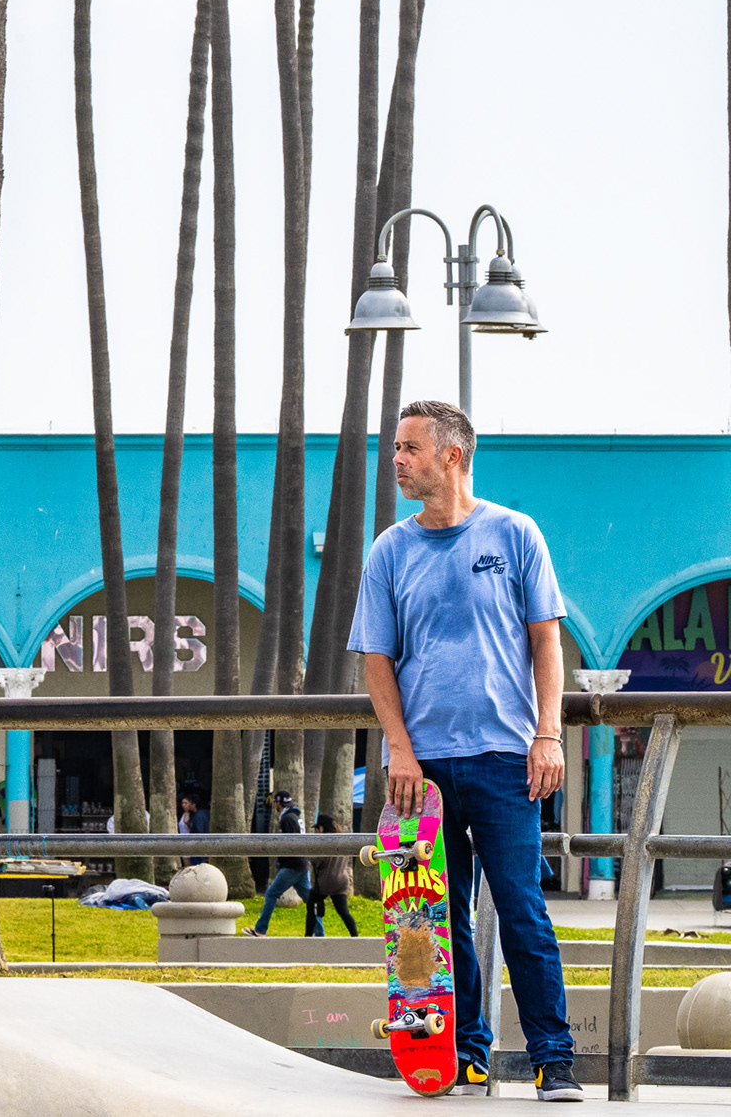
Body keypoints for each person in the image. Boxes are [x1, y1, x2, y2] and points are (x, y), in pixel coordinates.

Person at [349, 399, 577, 1101]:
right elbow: (377, 659)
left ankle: (553, 1057)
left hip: (508, 759)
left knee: (521, 908)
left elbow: (547, 641)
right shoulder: (390, 549)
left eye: (410, 448)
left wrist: (548, 731)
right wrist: (399, 750)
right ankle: (463, 1049)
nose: (397, 459)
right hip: (424, 773)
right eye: (395, 447)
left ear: (452, 455)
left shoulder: (514, 533)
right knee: (433, 916)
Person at [242, 790, 308, 937]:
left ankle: (260, 930)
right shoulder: (295, 816)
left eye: (275, 802)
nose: (274, 805)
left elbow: (289, 843)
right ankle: (320, 934)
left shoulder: (287, 819)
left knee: (271, 893)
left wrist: (282, 861)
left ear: (278, 802)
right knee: (311, 900)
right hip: (301, 863)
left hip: (292, 865)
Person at [307, 815, 358, 938]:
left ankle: (308, 936)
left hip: (327, 881)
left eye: (318, 828)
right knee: (343, 912)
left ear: (322, 828)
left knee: (311, 905)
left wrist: (309, 856)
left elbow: (319, 860)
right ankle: (355, 936)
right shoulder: (342, 839)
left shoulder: (325, 842)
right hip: (342, 880)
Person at [178, 790, 210, 867]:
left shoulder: (198, 816)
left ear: (193, 804)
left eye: (188, 803)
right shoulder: (200, 814)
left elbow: (199, 831)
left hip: (196, 844)